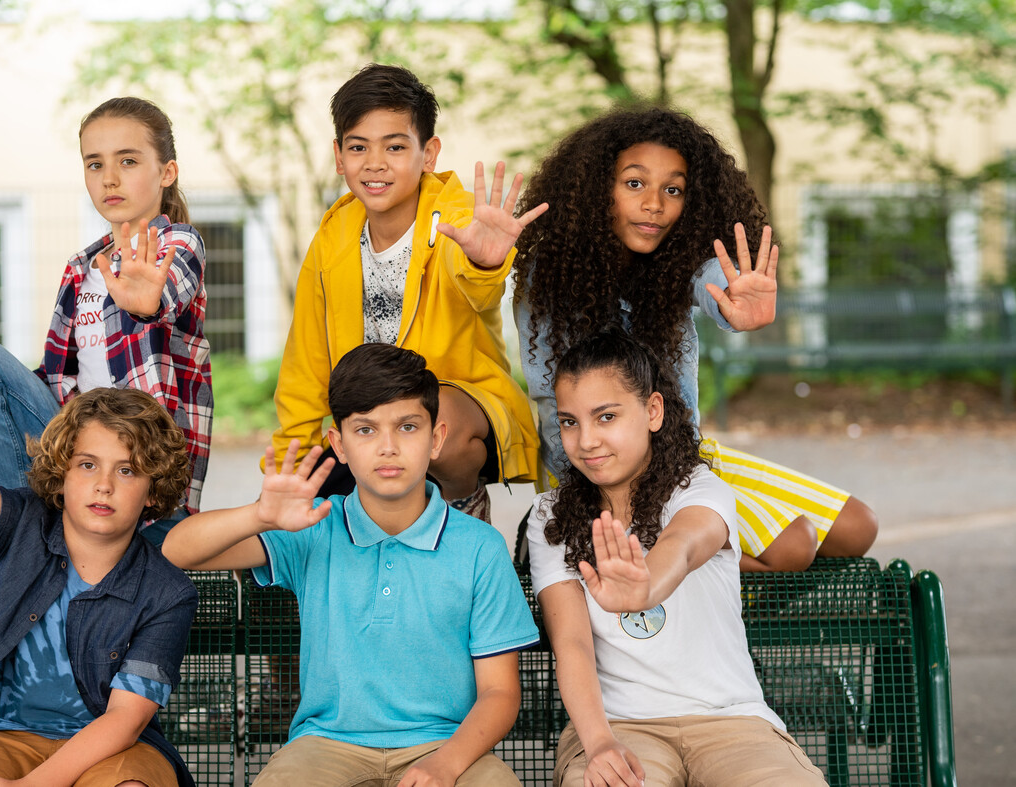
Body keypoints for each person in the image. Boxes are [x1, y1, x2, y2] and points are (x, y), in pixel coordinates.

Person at [514, 106, 877, 571]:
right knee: (791, 547)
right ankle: (590, 557)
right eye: (634, 183)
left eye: (673, 190)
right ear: (594, 190)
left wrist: (736, 303)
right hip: (597, 472)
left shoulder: (674, 261)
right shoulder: (553, 272)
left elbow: (713, 283)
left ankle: (692, 581)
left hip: (683, 458)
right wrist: (588, 502)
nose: (654, 204)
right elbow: (554, 407)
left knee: (858, 527)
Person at [166, 343, 540, 786]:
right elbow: (178, 551)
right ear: (338, 446)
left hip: (448, 746)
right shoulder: (314, 527)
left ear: (436, 438)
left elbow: (499, 692)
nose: (387, 447)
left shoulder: (480, 547)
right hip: (325, 747)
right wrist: (259, 516)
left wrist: (445, 764)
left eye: (407, 426)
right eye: (365, 430)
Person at [0, 291, 198, 787]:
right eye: (87, 465)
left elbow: (123, 720)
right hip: (2, 733)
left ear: (154, 492)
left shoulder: (167, 591)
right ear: (61, 473)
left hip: (109, 745)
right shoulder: (19, 530)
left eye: (127, 470)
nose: (103, 485)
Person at [527, 329, 829, 786]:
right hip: (618, 726)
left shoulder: (699, 488)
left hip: (732, 723)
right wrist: (600, 742)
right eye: (569, 422)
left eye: (605, 417)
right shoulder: (550, 516)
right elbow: (572, 643)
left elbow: (684, 545)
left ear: (652, 411)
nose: (586, 440)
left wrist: (647, 584)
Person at [0, 96, 211, 583]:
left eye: (128, 161)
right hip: (77, 443)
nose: (109, 178)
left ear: (167, 172)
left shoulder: (178, 245)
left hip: (140, 468)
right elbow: (57, 378)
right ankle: (15, 529)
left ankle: (29, 544)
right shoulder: (84, 267)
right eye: (95, 164)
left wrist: (144, 301)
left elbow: (166, 294)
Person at [270, 62, 548, 523]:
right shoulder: (332, 237)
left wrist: (484, 261)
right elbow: (306, 358)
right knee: (315, 512)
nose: (375, 164)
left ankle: (462, 502)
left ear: (429, 153)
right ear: (339, 156)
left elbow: (478, 289)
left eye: (395, 147)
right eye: (358, 147)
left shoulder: (457, 216)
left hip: (458, 405)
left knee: (431, 418)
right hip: (371, 406)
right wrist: (290, 459)